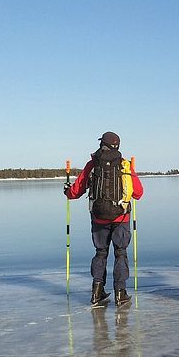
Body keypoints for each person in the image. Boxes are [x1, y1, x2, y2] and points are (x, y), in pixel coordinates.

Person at [64, 131, 144, 308]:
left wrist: (67, 192)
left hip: (99, 217)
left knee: (101, 252)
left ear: (102, 144)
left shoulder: (93, 164)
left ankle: (97, 292)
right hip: (121, 216)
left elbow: (76, 191)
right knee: (120, 252)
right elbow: (138, 193)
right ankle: (120, 293)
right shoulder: (125, 165)